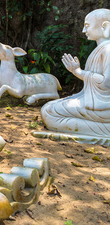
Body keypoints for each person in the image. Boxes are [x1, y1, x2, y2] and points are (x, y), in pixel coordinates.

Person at [41, 8, 110, 137]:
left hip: (103, 106)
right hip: (95, 102)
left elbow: (107, 83)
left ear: (105, 27)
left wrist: (78, 72)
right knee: (50, 106)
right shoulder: (101, 49)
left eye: (87, 26)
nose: (84, 31)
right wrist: (76, 71)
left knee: (49, 112)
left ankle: (105, 130)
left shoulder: (108, 50)